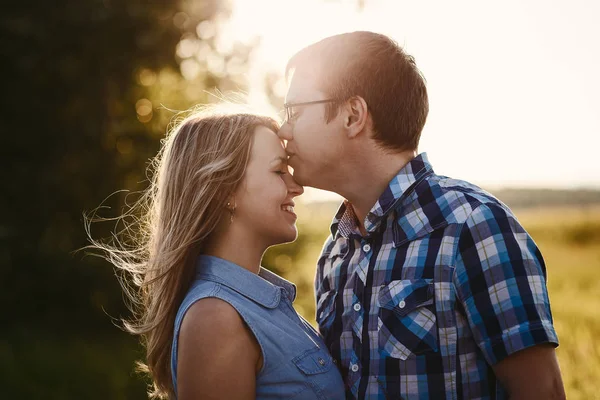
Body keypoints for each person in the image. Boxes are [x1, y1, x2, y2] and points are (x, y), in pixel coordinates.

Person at [278, 31, 566, 399]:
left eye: (295, 112)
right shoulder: (335, 253)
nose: (284, 130)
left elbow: (542, 391)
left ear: (352, 115)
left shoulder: (473, 226)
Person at [88, 105, 345, 399]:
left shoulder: (258, 306)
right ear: (225, 191)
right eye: (278, 171)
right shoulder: (215, 319)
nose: (296, 187)